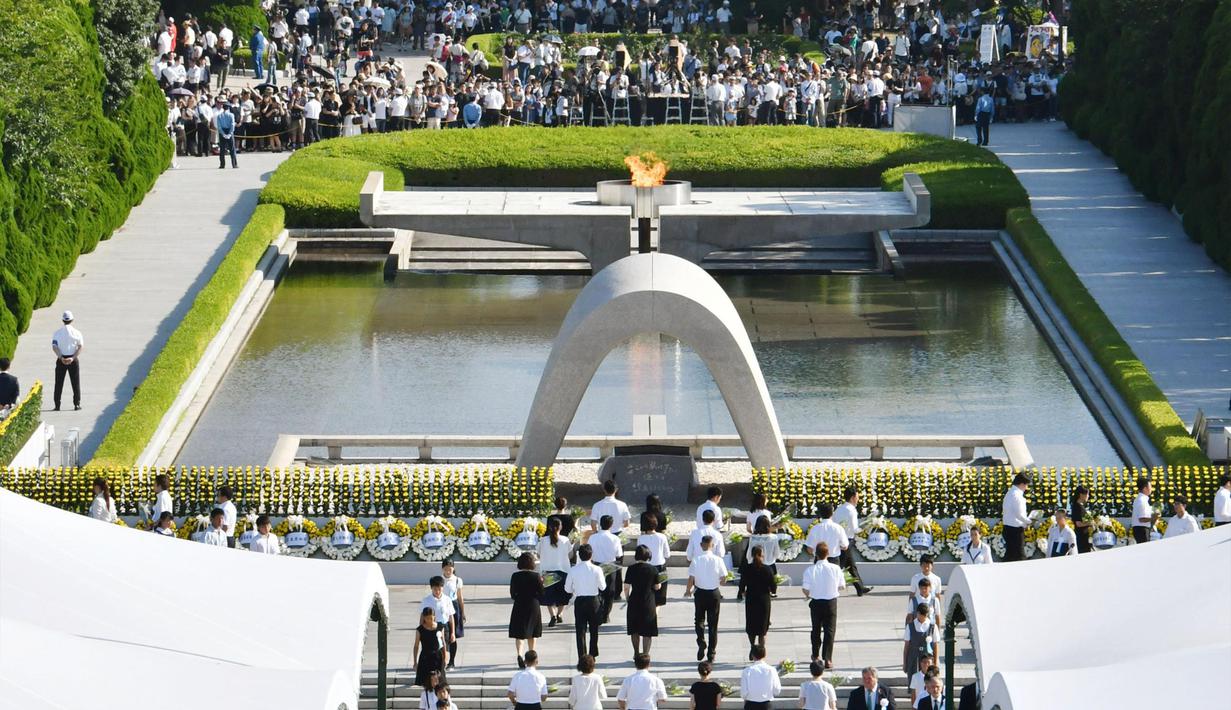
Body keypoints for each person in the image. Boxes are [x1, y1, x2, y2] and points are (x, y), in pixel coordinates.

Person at [685, 533, 728, 663]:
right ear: (712, 545)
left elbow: (691, 578)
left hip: (700, 593)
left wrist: (688, 591)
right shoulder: (718, 560)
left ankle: (701, 642)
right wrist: (720, 582)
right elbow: (724, 578)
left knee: (699, 620)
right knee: (713, 624)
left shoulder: (696, 559)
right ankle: (711, 652)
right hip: (714, 593)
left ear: (701, 545)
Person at [801, 542, 844, 668]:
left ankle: (815, 655)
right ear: (828, 554)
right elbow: (842, 586)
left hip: (816, 602)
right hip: (831, 602)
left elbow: (805, 589)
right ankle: (828, 658)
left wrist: (809, 594)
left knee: (816, 630)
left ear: (816, 554)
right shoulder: (836, 568)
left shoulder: (810, 570)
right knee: (830, 631)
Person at [565, 544, 606, 659]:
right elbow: (602, 587)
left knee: (580, 630)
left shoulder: (573, 570)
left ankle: (582, 656)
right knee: (594, 629)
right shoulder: (597, 569)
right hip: (594, 601)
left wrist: (575, 589)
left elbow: (567, 588)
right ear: (591, 555)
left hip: (580, 601)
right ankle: (592, 654)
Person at [623, 544, 662, 658]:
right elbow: (657, 586)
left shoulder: (631, 568)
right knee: (647, 631)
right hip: (648, 601)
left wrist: (627, 598)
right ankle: (645, 654)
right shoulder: (653, 569)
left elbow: (626, 586)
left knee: (634, 629)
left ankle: (636, 653)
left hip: (634, 599)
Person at [738, 544, 776, 656]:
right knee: (762, 628)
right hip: (764, 600)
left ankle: (752, 647)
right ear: (761, 554)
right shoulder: (767, 569)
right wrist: (772, 591)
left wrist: (743, 592)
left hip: (751, 599)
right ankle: (761, 649)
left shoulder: (747, 568)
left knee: (751, 626)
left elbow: (742, 584)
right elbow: (773, 586)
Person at [832, 488, 871, 596]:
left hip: (838, 539)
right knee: (840, 566)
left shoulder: (839, 509)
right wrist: (865, 528)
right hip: (847, 541)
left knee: (851, 565)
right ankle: (829, 587)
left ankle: (860, 588)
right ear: (853, 497)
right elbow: (855, 529)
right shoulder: (852, 510)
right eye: (857, 496)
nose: (858, 499)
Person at [537, 516, 573, 627]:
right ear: (560, 527)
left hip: (548, 571)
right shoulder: (565, 540)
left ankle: (552, 616)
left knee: (549, 597)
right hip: (563, 570)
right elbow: (570, 554)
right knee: (563, 596)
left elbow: (538, 554)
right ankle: (559, 614)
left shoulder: (543, 540)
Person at [509, 552, 543, 667]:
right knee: (532, 632)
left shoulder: (515, 576)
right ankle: (531, 655)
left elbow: (512, 594)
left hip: (519, 604)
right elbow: (541, 593)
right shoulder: (536, 576)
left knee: (519, 633)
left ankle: (519, 654)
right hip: (533, 605)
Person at [589, 515, 624, 623]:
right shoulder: (615, 538)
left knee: (597, 590)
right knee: (610, 591)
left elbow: (589, 551)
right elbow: (619, 554)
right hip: (610, 565)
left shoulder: (593, 537)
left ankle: (597, 611)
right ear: (611, 525)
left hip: (596, 565)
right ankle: (606, 614)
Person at [51, 310, 84, 411]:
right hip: (73, 359)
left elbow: (54, 347)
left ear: (63, 320)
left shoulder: (57, 333)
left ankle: (57, 405)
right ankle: (76, 404)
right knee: (75, 383)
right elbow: (80, 346)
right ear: (72, 320)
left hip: (61, 359)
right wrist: (73, 358)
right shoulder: (77, 333)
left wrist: (61, 357)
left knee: (58, 383)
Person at [637, 514, 671, 605]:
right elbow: (667, 554)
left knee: (646, 593)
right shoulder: (662, 537)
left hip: (645, 567)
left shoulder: (641, 538)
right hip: (660, 567)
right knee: (660, 596)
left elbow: (639, 553)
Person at [412, 607, 449, 689]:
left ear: (434, 617)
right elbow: (416, 646)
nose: (430, 620)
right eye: (427, 618)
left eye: (431, 618)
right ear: (424, 618)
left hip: (438, 657)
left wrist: (445, 658)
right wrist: (415, 661)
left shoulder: (440, 627)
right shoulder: (420, 630)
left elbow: (443, 643)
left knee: (439, 681)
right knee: (425, 682)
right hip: (425, 657)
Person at [422, 576, 457, 661]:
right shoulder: (426, 600)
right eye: (435, 589)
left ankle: (444, 664)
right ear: (431, 588)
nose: (437, 591)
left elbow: (451, 617)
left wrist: (453, 633)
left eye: (439, 589)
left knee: (445, 648)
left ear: (442, 587)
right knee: (433, 648)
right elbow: (422, 616)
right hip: (431, 626)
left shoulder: (447, 599)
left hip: (444, 626)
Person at [902, 602, 939, 677]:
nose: (923, 618)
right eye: (921, 615)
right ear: (917, 613)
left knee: (928, 680)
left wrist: (935, 663)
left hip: (927, 659)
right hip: (913, 658)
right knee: (913, 681)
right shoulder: (910, 626)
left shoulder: (933, 627)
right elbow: (906, 646)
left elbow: (935, 646)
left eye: (925, 616)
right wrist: (905, 663)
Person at [740, 644, 781, 709]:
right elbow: (777, 690)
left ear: (752, 655)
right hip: (766, 705)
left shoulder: (747, 671)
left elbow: (743, 692)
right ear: (765, 655)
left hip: (751, 704)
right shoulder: (772, 670)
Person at [1001, 473, 1031, 561]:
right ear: (1022, 484)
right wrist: (1029, 522)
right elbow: (1019, 515)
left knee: (1010, 555)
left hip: (1007, 528)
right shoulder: (1017, 496)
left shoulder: (1009, 493)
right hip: (1015, 531)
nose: (1026, 488)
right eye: (1026, 485)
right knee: (1019, 556)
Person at [442, 558, 466, 668]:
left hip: (454, 607)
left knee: (453, 635)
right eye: (446, 569)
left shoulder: (457, 580)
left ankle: (452, 661)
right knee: (443, 635)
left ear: (453, 568)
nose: (448, 571)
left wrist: (463, 612)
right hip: (443, 608)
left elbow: (460, 598)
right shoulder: (440, 580)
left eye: (450, 569)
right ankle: (443, 660)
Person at [1131, 477, 1159, 544]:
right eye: (1150, 486)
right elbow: (1142, 519)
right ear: (1145, 488)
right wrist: (1154, 518)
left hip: (1140, 529)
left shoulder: (1140, 499)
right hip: (1142, 530)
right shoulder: (1142, 500)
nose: (1151, 489)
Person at [1069, 485, 1092, 553]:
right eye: (1087, 494)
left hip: (1084, 537)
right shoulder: (1077, 506)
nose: (1088, 496)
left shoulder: (1081, 506)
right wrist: (1090, 523)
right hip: (1081, 537)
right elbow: (1078, 524)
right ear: (1081, 495)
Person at [216, 103, 238, 169]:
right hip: (229, 131)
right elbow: (232, 125)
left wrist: (223, 134)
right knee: (232, 149)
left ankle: (222, 165)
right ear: (228, 108)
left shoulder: (219, 115)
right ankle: (234, 164)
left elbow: (219, 127)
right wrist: (230, 134)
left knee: (222, 149)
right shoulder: (231, 115)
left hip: (222, 131)